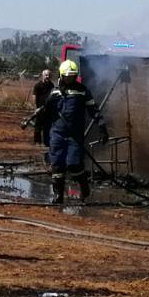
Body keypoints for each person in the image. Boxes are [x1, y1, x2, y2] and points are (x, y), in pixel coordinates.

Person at [39, 59, 98, 205]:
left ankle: (84, 188)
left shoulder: (82, 91)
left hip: (74, 135)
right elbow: (46, 112)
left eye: (72, 76)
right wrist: (40, 125)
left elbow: (93, 110)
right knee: (57, 165)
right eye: (67, 76)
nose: (69, 79)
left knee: (74, 164)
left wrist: (102, 126)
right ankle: (58, 195)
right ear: (61, 75)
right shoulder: (55, 92)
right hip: (57, 134)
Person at [29, 66, 54, 146]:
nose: (47, 77)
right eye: (46, 75)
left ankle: (46, 142)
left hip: (48, 109)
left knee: (48, 127)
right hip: (39, 109)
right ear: (42, 76)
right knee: (38, 126)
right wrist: (36, 108)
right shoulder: (37, 86)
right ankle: (37, 142)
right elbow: (34, 97)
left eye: (49, 75)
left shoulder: (52, 85)